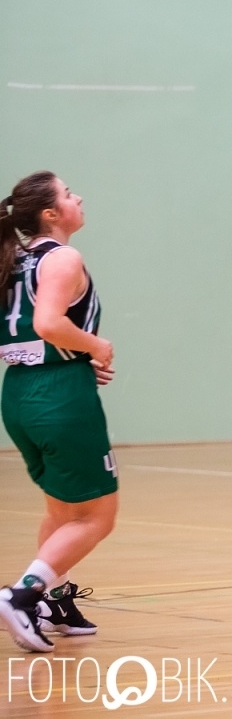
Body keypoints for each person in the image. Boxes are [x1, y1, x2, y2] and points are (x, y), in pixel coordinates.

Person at [0, 173, 117, 653]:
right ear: (50, 214)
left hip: (20, 392)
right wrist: (97, 347)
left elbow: (30, 331)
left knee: (63, 509)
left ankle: (54, 599)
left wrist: (76, 358)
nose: (79, 197)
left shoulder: (13, 261)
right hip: (59, 396)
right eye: (69, 194)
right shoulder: (63, 257)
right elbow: (50, 323)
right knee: (98, 515)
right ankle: (22, 594)